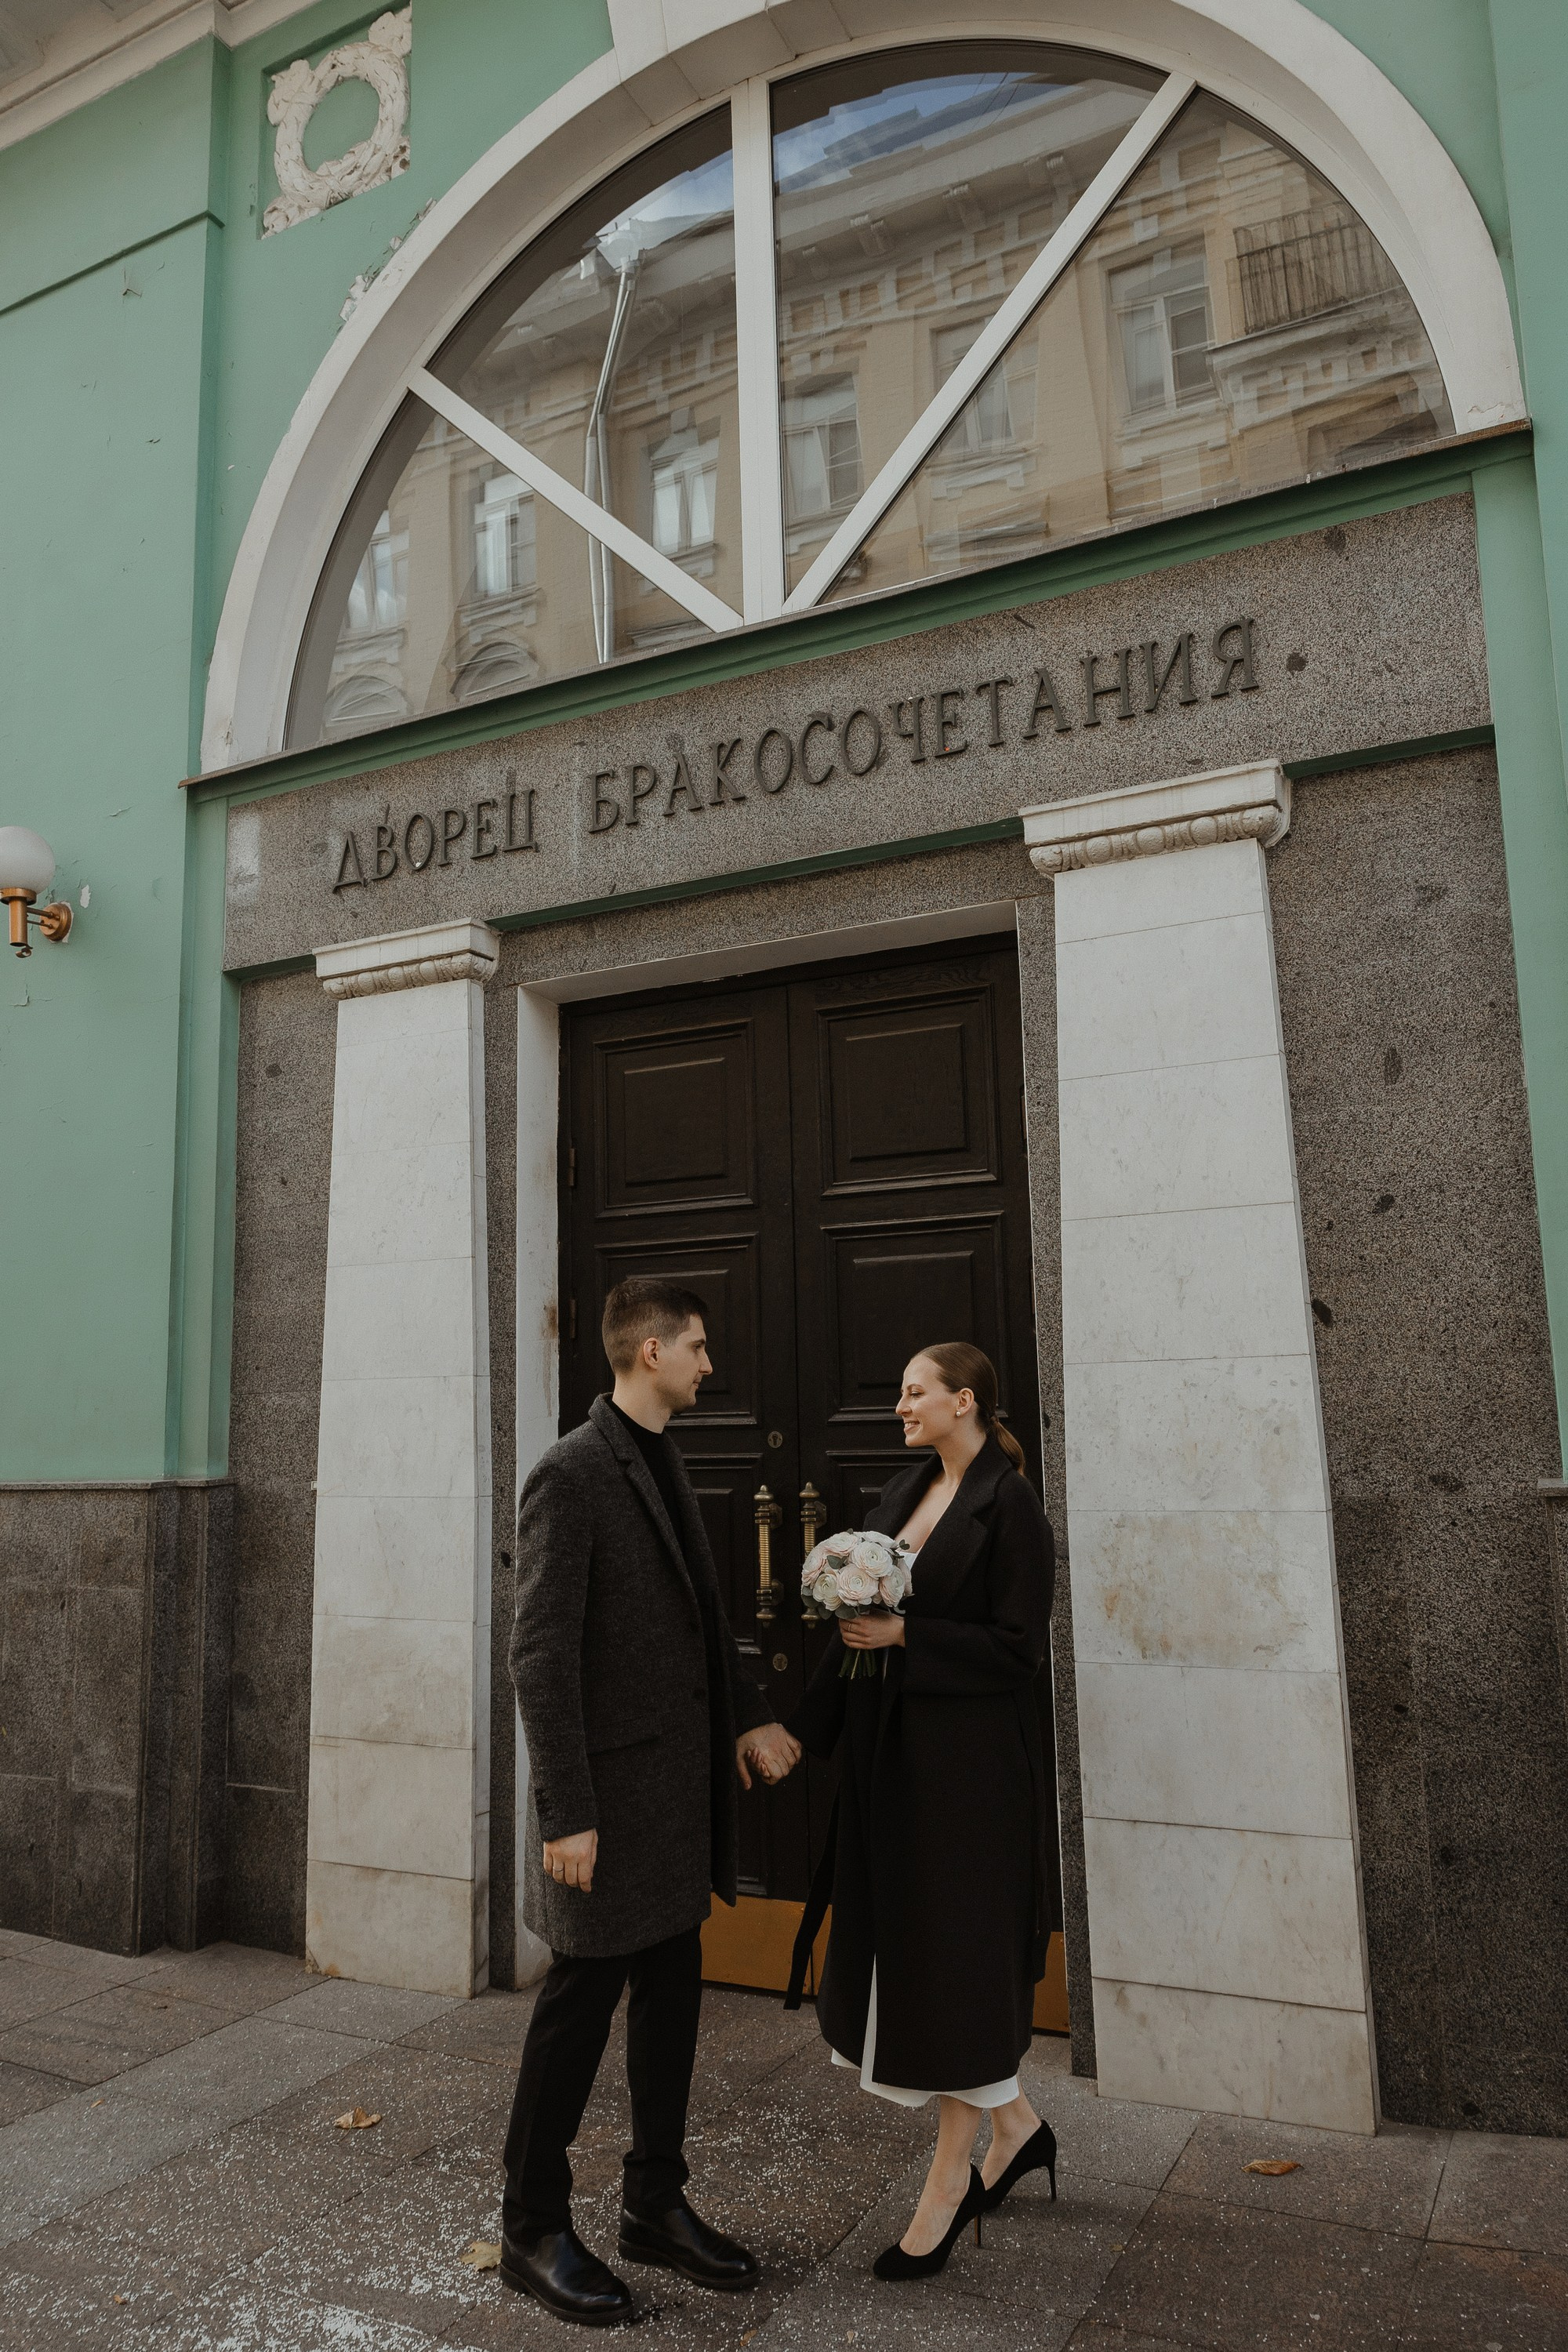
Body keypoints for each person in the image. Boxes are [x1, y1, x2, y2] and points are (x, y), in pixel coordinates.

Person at [503, 1276, 802, 2326]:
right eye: (698, 1348)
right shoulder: (571, 1476)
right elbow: (539, 1658)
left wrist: (749, 1712)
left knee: (673, 1998)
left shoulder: (665, 1456)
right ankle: (531, 2225)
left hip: (674, 1797)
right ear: (648, 1356)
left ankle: (652, 2204)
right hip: (608, 1805)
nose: (709, 1364)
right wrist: (565, 1811)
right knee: (576, 2012)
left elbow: (700, 1618)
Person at [786, 1342, 1058, 2281]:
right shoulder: (901, 1492)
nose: (899, 1406)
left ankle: (946, 2188)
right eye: (900, 1392)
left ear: (963, 1402)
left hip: (973, 1773)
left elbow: (1020, 1647)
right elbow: (857, 1631)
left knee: (955, 1964)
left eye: (914, 1393)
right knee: (920, 1952)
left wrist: (912, 1634)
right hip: (895, 1762)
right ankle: (1016, 2130)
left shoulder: (1009, 1504)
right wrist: (796, 1733)